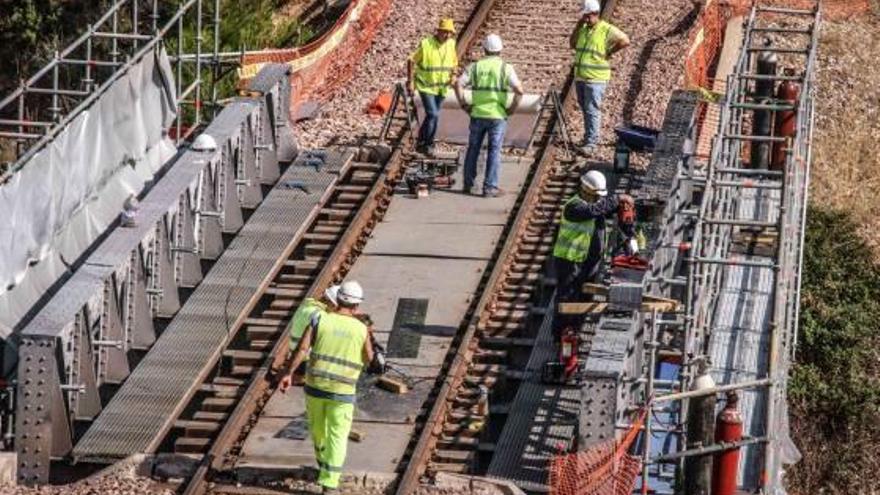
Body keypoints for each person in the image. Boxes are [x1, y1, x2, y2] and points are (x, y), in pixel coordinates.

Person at [279, 281, 374, 494]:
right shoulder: (361, 328)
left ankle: (323, 465)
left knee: (318, 430)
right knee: (337, 435)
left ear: (336, 298)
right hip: (343, 391)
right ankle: (330, 482)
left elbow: (303, 349)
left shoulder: (319, 318)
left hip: (316, 387)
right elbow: (369, 359)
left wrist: (288, 374)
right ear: (357, 306)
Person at [454, 34, 524, 198]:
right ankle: (490, 188)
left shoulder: (476, 67)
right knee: (494, 151)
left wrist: (464, 104)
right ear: (500, 50)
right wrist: (512, 108)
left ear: (484, 49)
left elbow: (458, 84)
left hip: (477, 113)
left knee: (473, 149)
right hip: (497, 116)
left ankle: (468, 184)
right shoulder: (505, 68)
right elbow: (519, 91)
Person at [552, 170, 636, 301]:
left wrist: (625, 211)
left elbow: (605, 208)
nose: (598, 199)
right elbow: (594, 211)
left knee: (585, 293)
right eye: (595, 196)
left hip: (588, 259)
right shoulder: (574, 207)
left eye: (599, 197)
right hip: (569, 260)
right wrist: (618, 198)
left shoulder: (593, 204)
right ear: (585, 190)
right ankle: (563, 320)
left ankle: (577, 319)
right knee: (567, 295)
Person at [570, 0, 630, 154]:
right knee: (586, 109)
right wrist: (578, 25)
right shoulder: (583, 29)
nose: (584, 19)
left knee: (592, 110)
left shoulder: (605, 29)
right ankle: (588, 137)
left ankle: (591, 143)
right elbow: (572, 43)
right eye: (583, 16)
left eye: (586, 16)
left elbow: (625, 40)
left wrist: (609, 51)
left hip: (595, 78)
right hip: (581, 77)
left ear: (594, 14)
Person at [408, 18, 458, 156]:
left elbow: (454, 62)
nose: (447, 35)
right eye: (445, 32)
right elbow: (411, 61)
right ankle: (427, 144)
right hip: (426, 86)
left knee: (433, 116)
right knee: (433, 114)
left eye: (450, 33)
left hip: (442, 87)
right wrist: (410, 82)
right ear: (439, 31)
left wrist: (453, 75)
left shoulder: (451, 44)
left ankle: (421, 142)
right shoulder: (426, 44)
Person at [284, 285, 340, 383]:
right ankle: (300, 377)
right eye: (336, 308)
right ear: (332, 304)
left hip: (294, 351)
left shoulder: (306, 306)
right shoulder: (319, 315)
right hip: (307, 358)